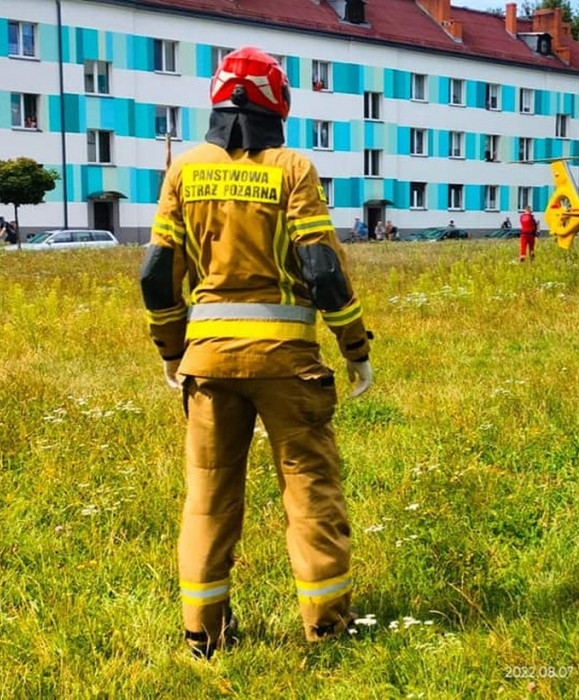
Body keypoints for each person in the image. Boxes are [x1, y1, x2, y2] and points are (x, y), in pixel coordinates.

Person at [140, 47, 373, 660]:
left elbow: (157, 273)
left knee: (209, 496)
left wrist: (171, 350)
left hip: (208, 365)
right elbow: (321, 268)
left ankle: (203, 636)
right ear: (279, 103)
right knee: (309, 490)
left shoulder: (184, 171)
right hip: (289, 365)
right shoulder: (293, 168)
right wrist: (355, 346)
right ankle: (326, 627)